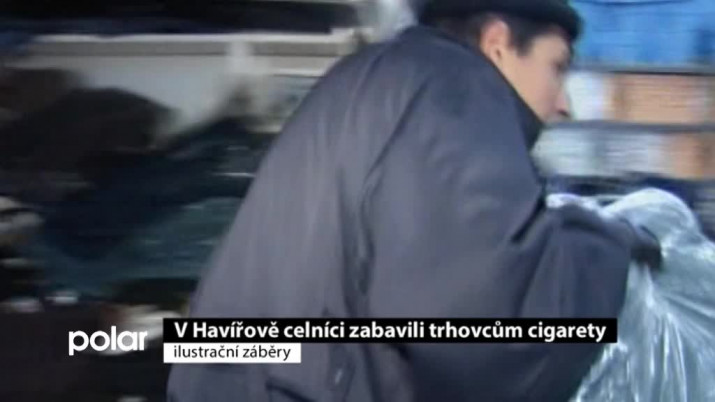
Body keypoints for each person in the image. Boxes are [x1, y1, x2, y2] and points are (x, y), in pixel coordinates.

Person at [167, 0, 661, 401]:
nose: (564, 104)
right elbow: (483, 323)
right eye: (557, 68)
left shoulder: (374, 76)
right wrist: (606, 250)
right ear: (498, 44)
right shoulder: (457, 92)